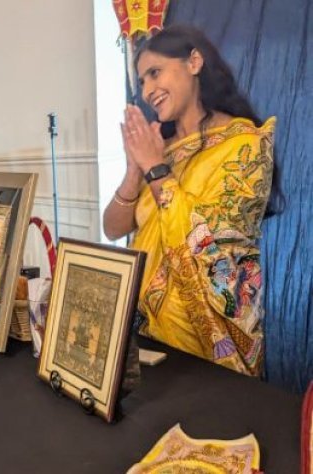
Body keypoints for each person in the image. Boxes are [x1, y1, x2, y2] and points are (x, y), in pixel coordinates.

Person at [102, 25, 276, 376]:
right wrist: (135, 170)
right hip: (146, 336)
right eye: (142, 82)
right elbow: (112, 229)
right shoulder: (161, 150)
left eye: (155, 73)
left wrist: (155, 169)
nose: (147, 91)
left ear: (194, 62)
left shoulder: (244, 145)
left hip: (208, 347)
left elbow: (212, 247)